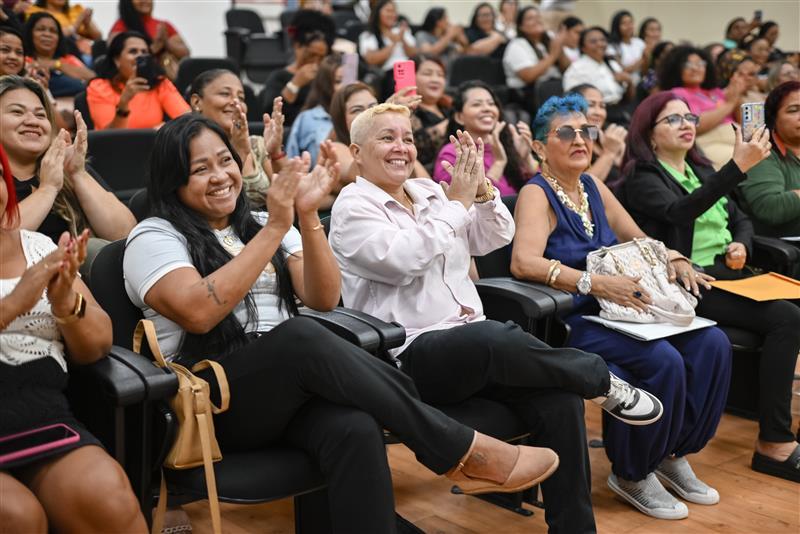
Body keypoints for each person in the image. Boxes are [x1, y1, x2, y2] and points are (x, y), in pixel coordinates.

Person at [123, 113, 562, 534]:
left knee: (354, 428)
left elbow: (322, 297)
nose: (220, 176)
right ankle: (457, 448)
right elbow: (198, 313)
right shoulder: (155, 236)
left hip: (287, 389)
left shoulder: (258, 221)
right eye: (201, 169)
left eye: (225, 161)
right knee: (301, 334)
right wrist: (275, 229)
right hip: (216, 401)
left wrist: (306, 217)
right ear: (173, 180)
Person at [330, 101, 664, 532]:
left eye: (408, 138)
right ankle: (597, 378)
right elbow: (403, 261)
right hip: (409, 357)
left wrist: (484, 193)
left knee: (560, 400)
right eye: (387, 138)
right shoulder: (352, 207)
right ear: (357, 152)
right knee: (490, 336)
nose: (402, 147)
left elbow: (494, 238)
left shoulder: (429, 191)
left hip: (475, 350)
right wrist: (457, 204)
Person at [512, 94, 733, 519]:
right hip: (575, 317)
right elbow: (524, 262)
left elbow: (638, 238)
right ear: (539, 146)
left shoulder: (593, 187)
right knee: (664, 361)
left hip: (623, 311)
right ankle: (632, 472)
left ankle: (671, 452)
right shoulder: (535, 194)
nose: (580, 139)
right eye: (566, 132)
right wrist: (595, 282)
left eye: (586, 131)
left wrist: (672, 256)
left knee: (713, 344)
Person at [619, 90, 800, 484]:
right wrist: (736, 166)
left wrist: (742, 243)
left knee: (793, 304)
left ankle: (777, 428)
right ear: (649, 134)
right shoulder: (643, 177)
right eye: (673, 119)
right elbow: (679, 211)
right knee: (787, 317)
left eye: (690, 118)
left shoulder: (699, 170)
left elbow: (741, 217)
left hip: (728, 271)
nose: (686, 124)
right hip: (687, 281)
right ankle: (774, 442)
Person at [0, 144, 147, 534]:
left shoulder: (38, 247)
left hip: (40, 417)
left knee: (108, 498)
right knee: (16, 516)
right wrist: (12, 304)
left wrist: (66, 304)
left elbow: (97, 345)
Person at [0, 76, 135, 255]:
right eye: (17, 112)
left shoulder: (67, 168)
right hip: (20, 273)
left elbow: (125, 234)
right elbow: (3, 244)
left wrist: (77, 173)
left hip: (78, 270)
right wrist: (47, 189)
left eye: (41, 115)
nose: (33, 121)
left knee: (95, 249)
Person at [188, 69, 286, 210]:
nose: (236, 102)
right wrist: (240, 154)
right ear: (197, 102)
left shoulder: (255, 144)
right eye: (225, 94)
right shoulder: (186, 146)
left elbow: (287, 194)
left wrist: (276, 152)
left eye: (241, 98)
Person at [434, 81, 537, 196]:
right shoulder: (452, 153)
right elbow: (463, 200)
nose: (487, 108)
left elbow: (537, 192)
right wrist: (498, 163)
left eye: (491, 104)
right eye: (476, 104)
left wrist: (526, 158)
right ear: (459, 117)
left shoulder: (507, 147)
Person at [658, 46, 745, 170]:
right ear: (676, 68)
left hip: (738, 140)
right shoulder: (676, 94)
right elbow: (695, 124)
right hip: (709, 144)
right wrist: (729, 104)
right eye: (688, 64)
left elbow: (742, 123)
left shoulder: (716, 91)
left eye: (700, 64)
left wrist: (737, 97)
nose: (696, 68)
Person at [86, 31, 189, 130]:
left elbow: (188, 120)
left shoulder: (160, 84)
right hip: (119, 143)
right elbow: (108, 137)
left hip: (153, 141)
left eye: (144, 52)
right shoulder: (99, 87)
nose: (140, 56)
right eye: (133, 51)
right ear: (116, 60)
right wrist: (124, 104)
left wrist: (166, 129)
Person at [739, 81, 800, 238]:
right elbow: (770, 208)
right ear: (773, 120)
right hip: (787, 246)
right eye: (793, 110)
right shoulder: (761, 154)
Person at [262, 9, 335, 128]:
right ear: (297, 46)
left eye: (321, 57)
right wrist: (295, 84)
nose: (316, 62)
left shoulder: (330, 76)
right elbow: (271, 115)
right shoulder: (279, 77)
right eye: (311, 55)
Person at [502, 5, 566, 110]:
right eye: (530, 18)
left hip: (554, 90)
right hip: (527, 97)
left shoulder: (548, 41)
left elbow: (567, 68)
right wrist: (553, 56)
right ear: (521, 26)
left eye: (538, 17)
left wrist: (560, 45)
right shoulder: (516, 45)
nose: (537, 20)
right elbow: (528, 76)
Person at [563, 26, 632, 122]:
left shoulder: (612, 64)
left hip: (620, 111)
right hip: (594, 116)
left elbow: (627, 97)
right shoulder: (576, 69)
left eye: (603, 40)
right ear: (583, 48)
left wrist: (629, 82)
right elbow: (571, 103)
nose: (600, 44)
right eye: (593, 41)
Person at [108, 0, 190, 79]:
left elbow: (185, 53)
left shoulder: (163, 25)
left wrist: (165, 42)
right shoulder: (120, 26)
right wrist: (154, 48)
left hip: (165, 78)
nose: (145, 0)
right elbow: (113, 56)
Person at [286, 53, 342, 167]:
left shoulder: (366, 113)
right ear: (326, 86)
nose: (346, 86)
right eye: (338, 81)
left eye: (350, 80)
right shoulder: (307, 119)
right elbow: (291, 161)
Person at [22, 12, 92, 97]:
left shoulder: (69, 59)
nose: (47, 34)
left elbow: (92, 77)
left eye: (53, 31)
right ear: (29, 33)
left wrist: (58, 64)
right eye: (41, 29)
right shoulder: (22, 59)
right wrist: (59, 66)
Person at [569, 84, 627, 187]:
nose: (598, 112)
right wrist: (609, 153)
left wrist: (622, 158)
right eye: (591, 105)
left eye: (602, 106)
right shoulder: (568, 143)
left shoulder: (606, 139)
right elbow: (580, 187)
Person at [410, 55, 450, 171]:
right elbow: (419, 149)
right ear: (411, 77)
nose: (435, 79)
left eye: (440, 75)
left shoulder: (450, 107)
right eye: (427, 74)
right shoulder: (408, 111)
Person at [26, 0, 101, 41]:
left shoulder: (74, 11)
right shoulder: (35, 11)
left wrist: (87, 22)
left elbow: (98, 37)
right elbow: (58, 35)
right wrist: (78, 22)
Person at [607, 10, 646, 82]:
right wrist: (642, 60)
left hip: (641, 81)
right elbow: (622, 70)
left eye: (630, 22)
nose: (629, 26)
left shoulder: (639, 42)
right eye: (624, 23)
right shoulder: (612, 47)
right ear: (616, 26)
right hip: (624, 83)